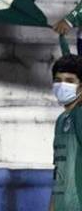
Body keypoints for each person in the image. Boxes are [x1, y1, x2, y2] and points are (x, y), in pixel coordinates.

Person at [49, 54, 82, 209]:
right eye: (58, 80)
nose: (62, 85)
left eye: (69, 81)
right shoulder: (61, 120)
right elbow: (59, 173)